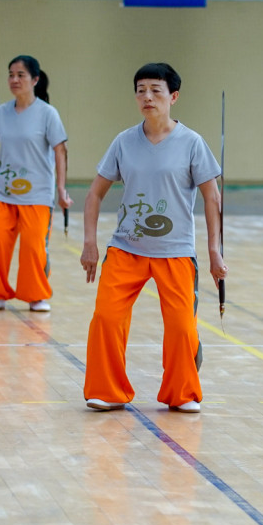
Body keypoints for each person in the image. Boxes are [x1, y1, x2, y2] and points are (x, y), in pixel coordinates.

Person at [80, 62, 226, 413]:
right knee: (106, 318)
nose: (147, 97)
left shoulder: (192, 143)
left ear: (173, 96)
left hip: (174, 251)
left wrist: (214, 252)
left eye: (155, 90)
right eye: (141, 90)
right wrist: (89, 242)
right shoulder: (123, 141)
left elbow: (212, 197)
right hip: (125, 248)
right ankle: (107, 390)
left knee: (180, 328)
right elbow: (94, 194)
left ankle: (183, 391)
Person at [0, 55, 71, 312]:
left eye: (21, 75)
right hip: (2, 192)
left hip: (38, 194)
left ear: (35, 80)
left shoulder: (48, 114)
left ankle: (35, 295)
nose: (14, 79)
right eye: (11, 74)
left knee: (33, 247)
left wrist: (61, 189)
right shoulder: (0, 113)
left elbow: (60, 150)